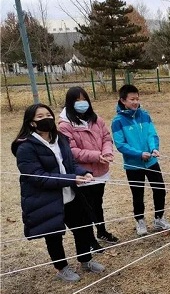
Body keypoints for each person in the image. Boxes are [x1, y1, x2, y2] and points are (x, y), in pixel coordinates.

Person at [11, 104, 105, 282]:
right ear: (31, 123)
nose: (46, 119)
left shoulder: (60, 138)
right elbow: (38, 177)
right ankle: (62, 268)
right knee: (53, 235)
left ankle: (86, 260)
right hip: (46, 199)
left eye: (48, 115)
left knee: (83, 228)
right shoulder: (26, 148)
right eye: (40, 117)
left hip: (70, 194)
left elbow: (69, 163)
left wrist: (83, 172)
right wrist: (72, 178)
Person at [58, 87, 119, 249]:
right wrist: (95, 155)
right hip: (83, 174)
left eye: (83, 99)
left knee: (98, 203)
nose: (81, 103)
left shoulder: (96, 119)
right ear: (70, 103)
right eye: (77, 100)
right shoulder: (65, 125)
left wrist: (106, 152)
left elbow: (106, 137)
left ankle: (102, 231)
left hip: (100, 170)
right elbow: (71, 151)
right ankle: (90, 239)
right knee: (86, 208)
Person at [111, 85, 170, 236]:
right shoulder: (117, 121)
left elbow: (152, 134)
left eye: (137, 99)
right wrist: (139, 154)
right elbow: (120, 144)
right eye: (132, 99)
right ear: (123, 100)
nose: (135, 102)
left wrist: (154, 148)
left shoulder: (144, 115)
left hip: (151, 161)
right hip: (133, 165)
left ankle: (159, 218)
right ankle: (139, 220)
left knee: (160, 189)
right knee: (137, 194)